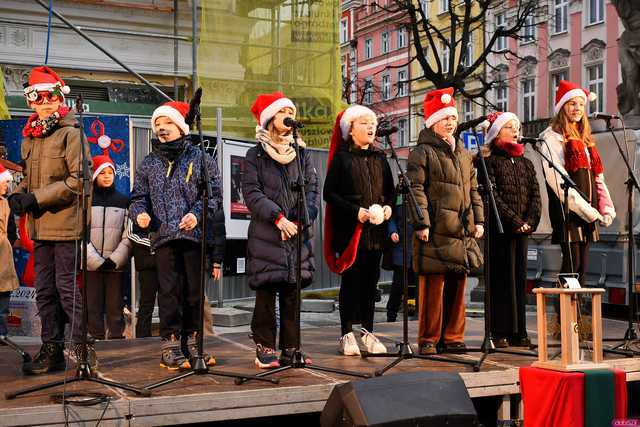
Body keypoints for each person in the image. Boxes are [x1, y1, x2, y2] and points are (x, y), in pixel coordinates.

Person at [11, 66, 94, 374]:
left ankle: (82, 349)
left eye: (50, 97)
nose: (45, 103)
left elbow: (79, 181)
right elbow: (27, 177)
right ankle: (52, 350)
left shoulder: (72, 134)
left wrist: (37, 198)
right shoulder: (30, 137)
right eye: (38, 98)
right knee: (44, 290)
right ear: (30, 102)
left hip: (66, 225)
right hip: (40, 226)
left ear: (60, 98)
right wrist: (19, 193)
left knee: (66, 289)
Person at [129, 100, 222, 370]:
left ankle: (193, 343)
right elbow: (137, 199)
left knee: (194, 293)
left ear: (181, 126)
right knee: (168, 293)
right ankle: (170, 344)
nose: (161, 128)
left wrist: (196, 213)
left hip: (193, 236)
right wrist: (140, 214)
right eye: (157, 124)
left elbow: (213, 195)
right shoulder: (148, 163)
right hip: (163, 237)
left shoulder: (201, 158)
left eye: (167, 122)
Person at [242, 92, 318, 369]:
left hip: (296, 234)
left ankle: (291, 347)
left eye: (291, 110)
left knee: (292, 291)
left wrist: (300, 220)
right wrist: (278, 219)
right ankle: (264, 346)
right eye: (282, 111)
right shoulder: (255, 155)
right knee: (267, 291)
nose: (289, 115)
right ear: (270, 119)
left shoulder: (302, 154)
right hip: (268, 233)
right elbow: (251, 192)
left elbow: (311, 190)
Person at [406, 87, 484, 355]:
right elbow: (415, 190)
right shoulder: (422, 152)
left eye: (452, 117)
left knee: (457, 284)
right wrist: (421, 222)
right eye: (444, 118)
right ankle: (428, 339)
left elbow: (473, 190)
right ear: (432, 122)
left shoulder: (463, 153)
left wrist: (479, 220)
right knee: (433, 286)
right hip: (436, 228)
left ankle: (452, 337)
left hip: (460, 230)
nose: (450, 123)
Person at [323, 105, 394, 356]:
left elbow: (391, 192)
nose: (370, 127)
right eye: (363, 123)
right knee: (351, 285)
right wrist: (356, 211)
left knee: (370, 285)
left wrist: (387, 209)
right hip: (351, 232)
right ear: (350, 130)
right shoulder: (343, 159)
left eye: (372, 122)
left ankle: (368, 332)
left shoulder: (381, 158)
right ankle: (346, 333)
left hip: (376, 234)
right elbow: (328, 193)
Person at [539, 80, 615, 288]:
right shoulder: (552, 137)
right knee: (572, 263)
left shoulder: (585, 139)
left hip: (586, 211)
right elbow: (558, 181)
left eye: (581, 104)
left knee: (582, 267)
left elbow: (597, 177)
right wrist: (587, 210)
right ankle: (565, 315)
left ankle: (577, 315)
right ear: (562, 107)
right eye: (572, 104)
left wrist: (606, 207)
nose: (577, 109)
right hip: (569, 211)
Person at [482, 112, 541, 348]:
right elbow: (493, 196)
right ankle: (499, 331)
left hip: (522, 231)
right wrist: (516, 221)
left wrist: (530, 221)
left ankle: (519, 330)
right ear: (497, 132)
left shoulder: (526, 163)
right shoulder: (490, 162)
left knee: (519, 277)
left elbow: (536, 195)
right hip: (501, 230)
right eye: (509, 127)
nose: (515, 131)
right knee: (501, 280)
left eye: (516, 127)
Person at [86, 155, 131, 340]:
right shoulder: (86, 201)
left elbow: (128, 235)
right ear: (95, 175)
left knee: (115, 306)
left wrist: (115, 260)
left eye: (110, 172)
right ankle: (95, 337)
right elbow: (80, 234)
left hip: (115, 266)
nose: (107, 176)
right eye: (102, 172)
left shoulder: (123, 201)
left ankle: (116, 339)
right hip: (91, 266)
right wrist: (96, 261)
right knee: (92, 305)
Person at [384, 196, 417, 323]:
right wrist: (392, 231)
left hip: (415, 247)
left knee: (415, 283)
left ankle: (412, 309)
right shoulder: (398, 195)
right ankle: (391, 314)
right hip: (401, 248)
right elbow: (392, 217)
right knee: (398, 284)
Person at [126, 218, 158, 338]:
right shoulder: (137, 205)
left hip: (165, 260)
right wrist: (155, 244)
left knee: (168, 300)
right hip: (147, 263)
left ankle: (169, 336)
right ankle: (143, 337)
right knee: (146, 302)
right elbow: (131, 233)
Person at [0, 164, 19, 343]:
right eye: (5, 182)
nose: (7, 185)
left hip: (4, 256)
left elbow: (11, 229)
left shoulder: (6, 202)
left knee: (3, 298)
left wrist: (8, 242)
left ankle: (2, 333)